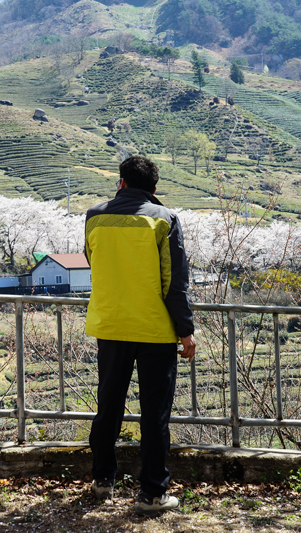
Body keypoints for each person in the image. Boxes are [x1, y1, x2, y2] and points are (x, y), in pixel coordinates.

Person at [84, 155, 196, 515]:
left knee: (109, 407)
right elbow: (174, 283)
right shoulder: (164, 220)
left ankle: (102, 480)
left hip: (111, 326)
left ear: (120, 182)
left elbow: (93, 259)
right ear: (154, 188)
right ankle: (152, 494)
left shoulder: (94, 217)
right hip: (154, 330)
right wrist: (186, 332)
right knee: (154, 415)